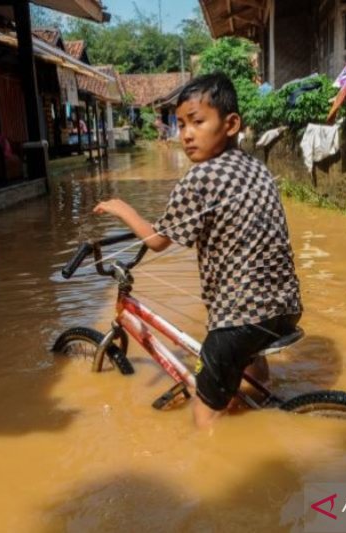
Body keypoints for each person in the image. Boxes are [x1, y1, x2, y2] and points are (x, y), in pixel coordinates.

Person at [93, 73, 302, 428]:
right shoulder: (255, 167)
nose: (186, 134)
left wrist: (121, 208)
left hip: (243, 317)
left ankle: (217, 457)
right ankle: (261, 410)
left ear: (231, 123)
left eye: (197, 122)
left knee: (204, 414)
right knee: (248, 366)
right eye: (180, 124)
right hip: (286, 308)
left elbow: (158, 240)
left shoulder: (200, 177)